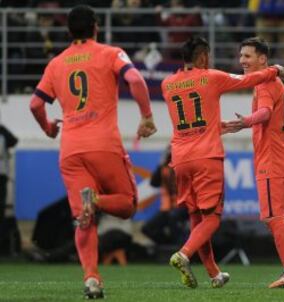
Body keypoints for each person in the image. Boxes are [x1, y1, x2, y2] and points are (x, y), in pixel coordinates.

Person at [29, 5, 156, 299]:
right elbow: (135, 79)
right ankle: (96, 201)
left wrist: (49, 127)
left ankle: (91, 279)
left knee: (83, 219)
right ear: (96, 27)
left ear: (68, 32)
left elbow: (35, 105)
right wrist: (147, 116)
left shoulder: (56, 63)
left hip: (71, 150)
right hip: (103, 145)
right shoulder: (110, 53)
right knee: (126, 204)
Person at [161, 36, 284, 289]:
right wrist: (275, 70)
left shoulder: (167, 84)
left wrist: (217, 126)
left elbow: (190, 121)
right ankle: (183, 254)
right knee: (213, 219)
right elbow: (249, 79)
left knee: (197, 218)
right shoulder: (210, 76)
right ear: (203, 57)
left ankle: (214, 274)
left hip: (180, 158)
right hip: (206, 156)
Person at [222, 36, 284, 288]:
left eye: (247, 56)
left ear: (262, 59)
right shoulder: (273, 80)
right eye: (241, 56)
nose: (242, 61)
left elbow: (266, 113)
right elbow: (269, 118)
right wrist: (243, 125)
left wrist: (247, 120)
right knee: (277, 217)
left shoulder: (266, 83)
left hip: (272, 161)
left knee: (273, 217)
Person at [0, 123, 18, 224]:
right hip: (2, 173)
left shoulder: (2, 132)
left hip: (2, 173)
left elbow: (14, 141)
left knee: (1, 202)